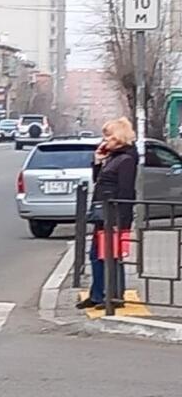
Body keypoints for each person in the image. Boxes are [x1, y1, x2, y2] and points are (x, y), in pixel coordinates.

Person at [76, 117, 137, 311]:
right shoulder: (113, 157)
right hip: (103, 214)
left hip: (114, 216)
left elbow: (126, 192)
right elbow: (100, 181)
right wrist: (97, 162)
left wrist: (121, 220)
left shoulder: (126, 159)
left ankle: (113, 296)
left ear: (119, 137)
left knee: (111, 256)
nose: (104, 141)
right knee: (96, 255)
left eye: (108, 136)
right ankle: (97, 294)